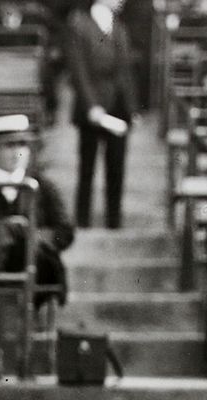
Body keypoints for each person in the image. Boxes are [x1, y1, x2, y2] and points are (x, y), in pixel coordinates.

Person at [0, 113, 74, 308]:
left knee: (16, 233)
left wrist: (30, 234)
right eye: (9, 146)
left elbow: (65, 232)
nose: (17, 153)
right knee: (6, 230)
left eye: (22, 145)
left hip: (37, 270)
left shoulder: (43, 187)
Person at [63, 0, 138, 229]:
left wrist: (132, 108)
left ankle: (113, 220)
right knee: (87, 166)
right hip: (92, 106)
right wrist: (91, 105)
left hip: (118, 106)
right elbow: (78, 69)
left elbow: (125, 71)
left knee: (116, 166)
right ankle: (82, 220)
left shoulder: (119, 26)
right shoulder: (79, 24)